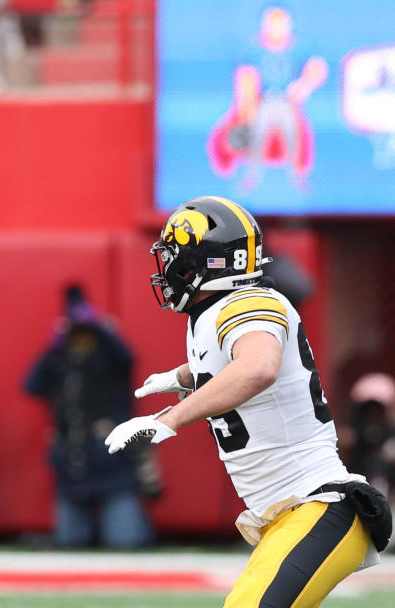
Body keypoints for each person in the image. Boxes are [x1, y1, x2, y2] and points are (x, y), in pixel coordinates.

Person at [106, 196, 391, 607]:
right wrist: (180, 377)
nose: (169, 269)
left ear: (211, 260)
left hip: (319, 505)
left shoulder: (249, 302)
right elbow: (233, 364)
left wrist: (169, 419)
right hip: (288, 514)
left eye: (176, 257)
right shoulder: (220, 311)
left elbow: (257, 369)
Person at [25, 285, 153, 549]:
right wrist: (55, 345)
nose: (81, 342)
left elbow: (127, 358)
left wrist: (101, 330)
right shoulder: (61, 361)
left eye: (86, 336)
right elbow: (32, 385)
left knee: (125, 541)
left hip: (112, 459)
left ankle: (134, 523)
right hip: (73, 460)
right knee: (70, 542)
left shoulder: (110, 359)